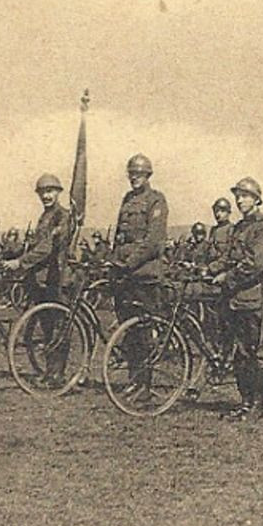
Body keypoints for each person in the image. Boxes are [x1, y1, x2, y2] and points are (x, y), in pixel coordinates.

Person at [210, 177, 263, 421]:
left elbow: (255, 264)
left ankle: (258, 406)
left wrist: (226, 277)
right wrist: (208, 269)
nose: (240, 200)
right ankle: (245, 403)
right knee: (240, 354)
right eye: (238, 196)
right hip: (236, 299)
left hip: (254, 298)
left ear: (257, 199)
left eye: (245, 196)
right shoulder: (238, 228)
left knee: (257, 352)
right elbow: (228, 258)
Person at [111, 154, 169, 403]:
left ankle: (144, 385)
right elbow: (120, 237)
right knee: (129, 330)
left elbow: (153, 241)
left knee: (144, 332)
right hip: (124, 274)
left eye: (140, 174)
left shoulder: (157, 200)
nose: (135, 178)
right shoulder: (128, 199)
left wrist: (129, 263)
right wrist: (114, 261)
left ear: (148, 176)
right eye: (132, 173)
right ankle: (134, 381)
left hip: (144, 275)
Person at [2, 173, 72, 303]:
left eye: (50, 191)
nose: (45, 196)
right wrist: (9, 256)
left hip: (55, 275)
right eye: (42, 193)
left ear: (58, 192)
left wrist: (20, 262)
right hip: (40, 275)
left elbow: (47, 247)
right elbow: (34, 244)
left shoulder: (62, 216)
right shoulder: (45, 216)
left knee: (53, 319)